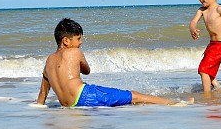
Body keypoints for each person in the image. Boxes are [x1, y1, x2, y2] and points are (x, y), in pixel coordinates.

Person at [37, 18, 193, 107]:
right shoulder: (75, 52)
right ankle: (174, 103)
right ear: (66, 40)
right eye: (78, 39)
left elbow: (42, 95)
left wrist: (37, 108)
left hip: (69, 105)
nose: (81, 42)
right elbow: (87, 71)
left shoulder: (48, 62)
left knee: (125, 103)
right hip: (85, 96)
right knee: (134, 96)